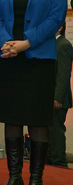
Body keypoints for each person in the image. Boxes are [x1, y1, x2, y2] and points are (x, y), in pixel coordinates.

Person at [0, 0, 67, 185]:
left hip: (38, 59)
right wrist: (6, 44)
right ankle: (14, 177)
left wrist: (25, 43)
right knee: (11, 117)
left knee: (37, 119)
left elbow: (55, 19)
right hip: (8, 56)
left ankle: (36, 178)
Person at [49, 25, 72, 167]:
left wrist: (57, 97)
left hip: (58, 99)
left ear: (60, 27)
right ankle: (51, 160)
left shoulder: (64, 45)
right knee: (49, 132)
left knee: (56, 131)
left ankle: (59, 162)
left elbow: (64, 74)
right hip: (48, 97)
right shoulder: (52, 44)